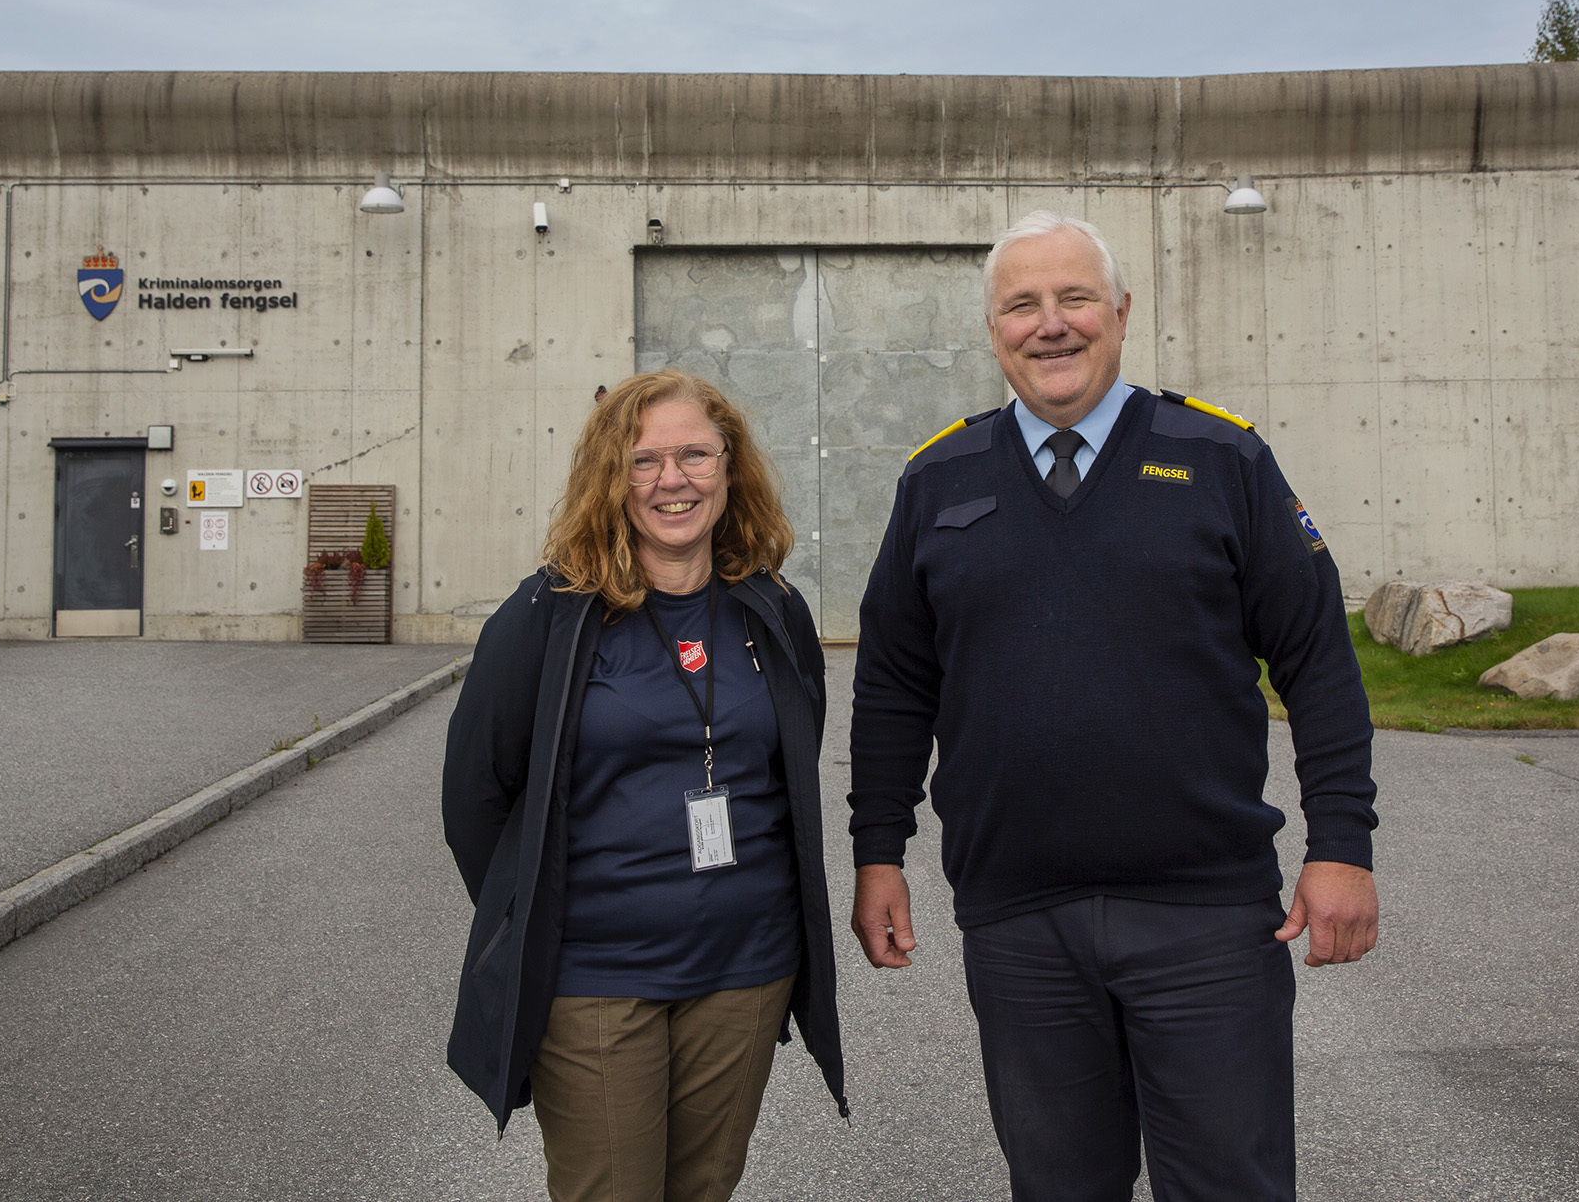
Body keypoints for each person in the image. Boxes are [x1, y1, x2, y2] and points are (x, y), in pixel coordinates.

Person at [848, 210, 1379, 1202]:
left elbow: (1315, 656)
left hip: (1207, 921)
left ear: (1121, 313)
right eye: (1022, 305)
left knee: (1231, 1186)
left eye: (1075, 298)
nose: (1051, 325)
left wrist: (1341, 846)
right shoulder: (936, 481)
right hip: (1017, 925)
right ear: (994, 331)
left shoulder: (1223, 460)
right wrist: (877, 853)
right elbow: (890, 686)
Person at [443, 369, 846, 1202]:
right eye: (645, 460)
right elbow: (476, 799)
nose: (673, 480)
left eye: (695, 454)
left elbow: (792, 756)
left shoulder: (773, 609)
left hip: (747, 969)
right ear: (609, 477)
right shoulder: (545, 616)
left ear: (730, 469)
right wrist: (543, 910)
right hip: (595, 976)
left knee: (702, 1191)